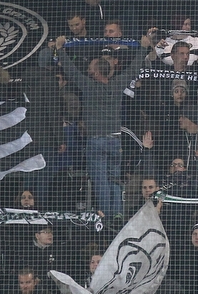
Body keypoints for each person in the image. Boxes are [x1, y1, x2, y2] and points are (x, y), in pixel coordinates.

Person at [53, 34, 151, 219]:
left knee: (101, 183)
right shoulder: (117, 84)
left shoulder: (89, 86)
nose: (88, 69)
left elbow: (71, 71)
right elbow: (132, 70)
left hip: (96, 142)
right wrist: (144, 48)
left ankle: (105, 219)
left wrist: (60, 49)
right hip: (115, 142)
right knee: (114, 181)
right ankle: (118, 216)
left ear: (97, 72)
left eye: (91, 67)